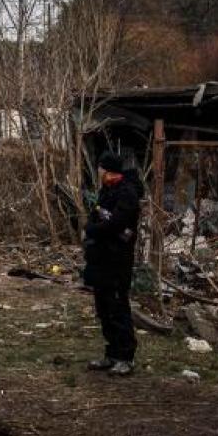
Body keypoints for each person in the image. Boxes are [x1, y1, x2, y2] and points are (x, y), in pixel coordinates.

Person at [83, 151, 142, 377]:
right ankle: (112, 354)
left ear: (108, 170)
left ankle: (126, 357)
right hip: (101, 258)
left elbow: (117, 224)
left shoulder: (127, 192)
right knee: (104, 308)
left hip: (117, 259)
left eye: (100, 168)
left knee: (117, 307)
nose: (98, 172)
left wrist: (92, 229)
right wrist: (94, 227)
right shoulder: (107, 190)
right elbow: (96, 216)